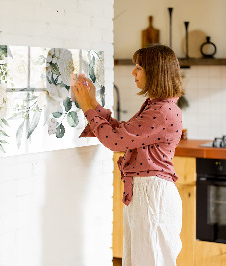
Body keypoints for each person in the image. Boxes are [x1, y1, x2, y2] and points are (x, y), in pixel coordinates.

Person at [72, 44, 184, 266]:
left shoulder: (161, 111)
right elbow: (123, 133)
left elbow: (115, 141)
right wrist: (93, 103)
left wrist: (87, 108)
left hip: (152, 195)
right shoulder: (157, 106)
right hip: (147, 193)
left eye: (139, 67)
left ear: (155, 72)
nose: (133, 72)